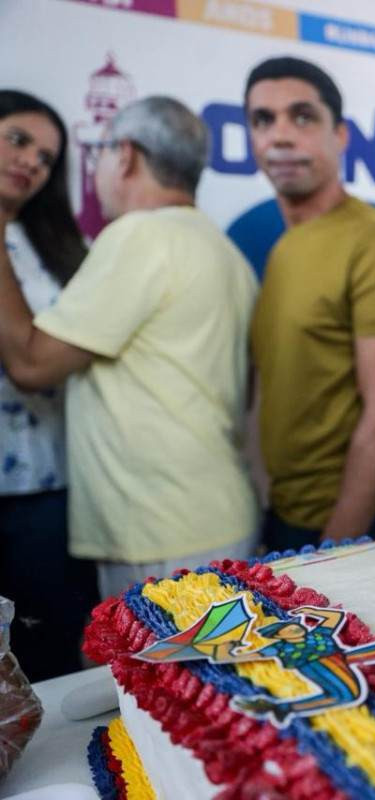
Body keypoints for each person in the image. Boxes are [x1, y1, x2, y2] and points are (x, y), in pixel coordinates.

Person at [0, 95, 259, 600]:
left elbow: (31, 364)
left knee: (156, 680)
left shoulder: (139, 236)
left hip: (161, 530)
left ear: (126, 156)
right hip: (208, 515)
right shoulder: (223, 248)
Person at [245, 57, 375, 550]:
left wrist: (332, 552)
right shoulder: (284, 245)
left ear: (340, 135)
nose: (279, 136)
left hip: (363, 527)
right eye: (263, 120)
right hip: (290, 517)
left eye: (302, 117)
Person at [0, 90, 95, 680]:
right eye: (18, 139)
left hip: (49, 487)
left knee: (49, 658)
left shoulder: (56, 248)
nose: (32, 160)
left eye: (47, 156)